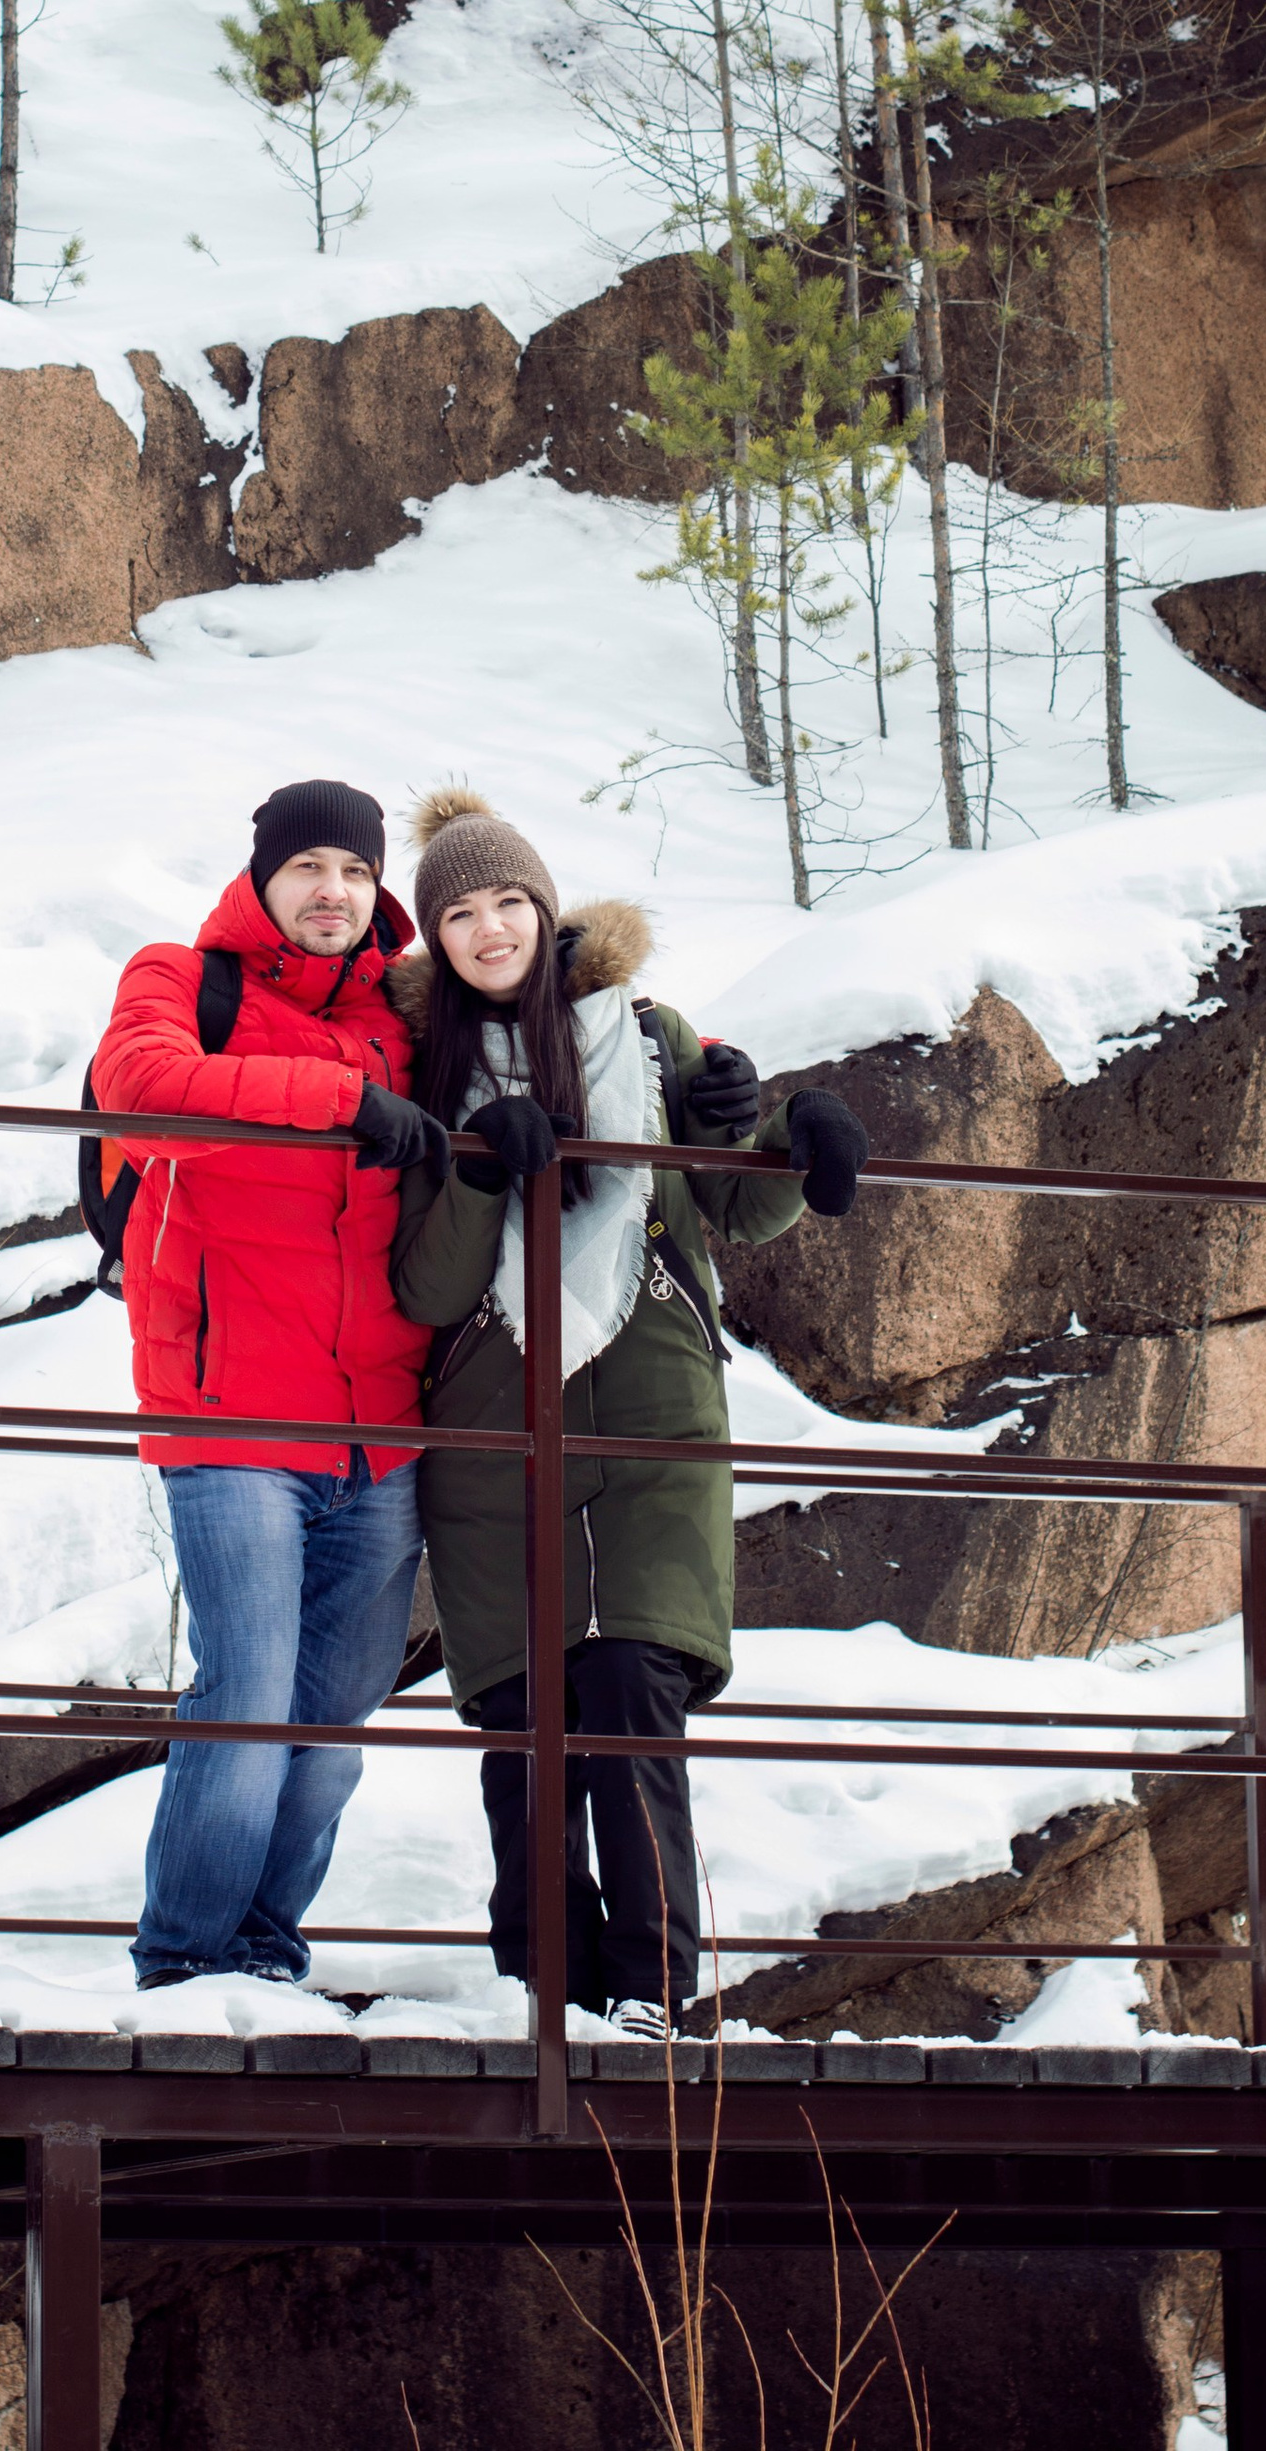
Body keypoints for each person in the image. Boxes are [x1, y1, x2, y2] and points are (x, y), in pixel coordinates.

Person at [386, 786, 870, 2034]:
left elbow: (738, 1210)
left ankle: (655, 1994)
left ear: (546, 910)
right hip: (495, 1427)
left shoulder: (646, 1034)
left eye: (507, 901)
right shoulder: (419, 1069)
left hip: (652, 1414)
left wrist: (776, 1135)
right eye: (457, 911)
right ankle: (546, 1998)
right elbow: (428, 1284)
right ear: (434, 936)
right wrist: (484, 1166)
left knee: (635, 1688)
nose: (488, 928)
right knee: (525, 1714)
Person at [93, 777, 450, 1993]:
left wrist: (718, 1069)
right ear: (261, 878)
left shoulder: (414, 1008)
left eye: (353, 872)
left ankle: (264, 1952)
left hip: (380, 1431)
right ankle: (184, 1965)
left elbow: (545, 1006)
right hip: (231, 1415)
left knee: (333, 1730)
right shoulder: (181, 979)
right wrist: (345, 1102)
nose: (332, 892)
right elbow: (140, 1087)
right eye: (308, 868)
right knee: (246, 1701)